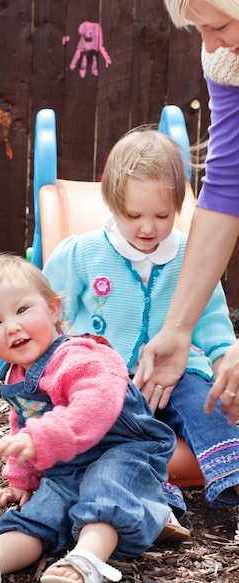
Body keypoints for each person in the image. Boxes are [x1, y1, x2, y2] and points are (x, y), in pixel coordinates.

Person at [0, 253, 176, 583]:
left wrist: (45, 436)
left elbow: (96, 403)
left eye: (22, 311)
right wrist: (22, 479)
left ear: (52, 310)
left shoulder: (81, 356)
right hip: (67, 467)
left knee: (106, 490)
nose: (12, 327)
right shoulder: (14, 376)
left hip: (127, 451)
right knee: (38, 513)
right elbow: (23, 424)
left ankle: (87, 562)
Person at [43, 127, 239, 525]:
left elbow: (210, 315)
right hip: (108, 376)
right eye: (134, 215)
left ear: (178, 208)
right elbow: (46, 305)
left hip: (178, 370)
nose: (147, 228)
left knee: (206, 404)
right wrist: (30, 357)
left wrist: (221, 359)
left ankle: (230, 475)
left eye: (162, 216)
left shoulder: (190, 255)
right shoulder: (84, 252)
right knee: (118, 425)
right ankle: (156, 498)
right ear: (113, 204)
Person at [133, 0, 239, 426]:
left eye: (219, 25)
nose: (210, 44)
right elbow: (227, 187)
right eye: (199, 30)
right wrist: (177, 328)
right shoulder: (225, 58)